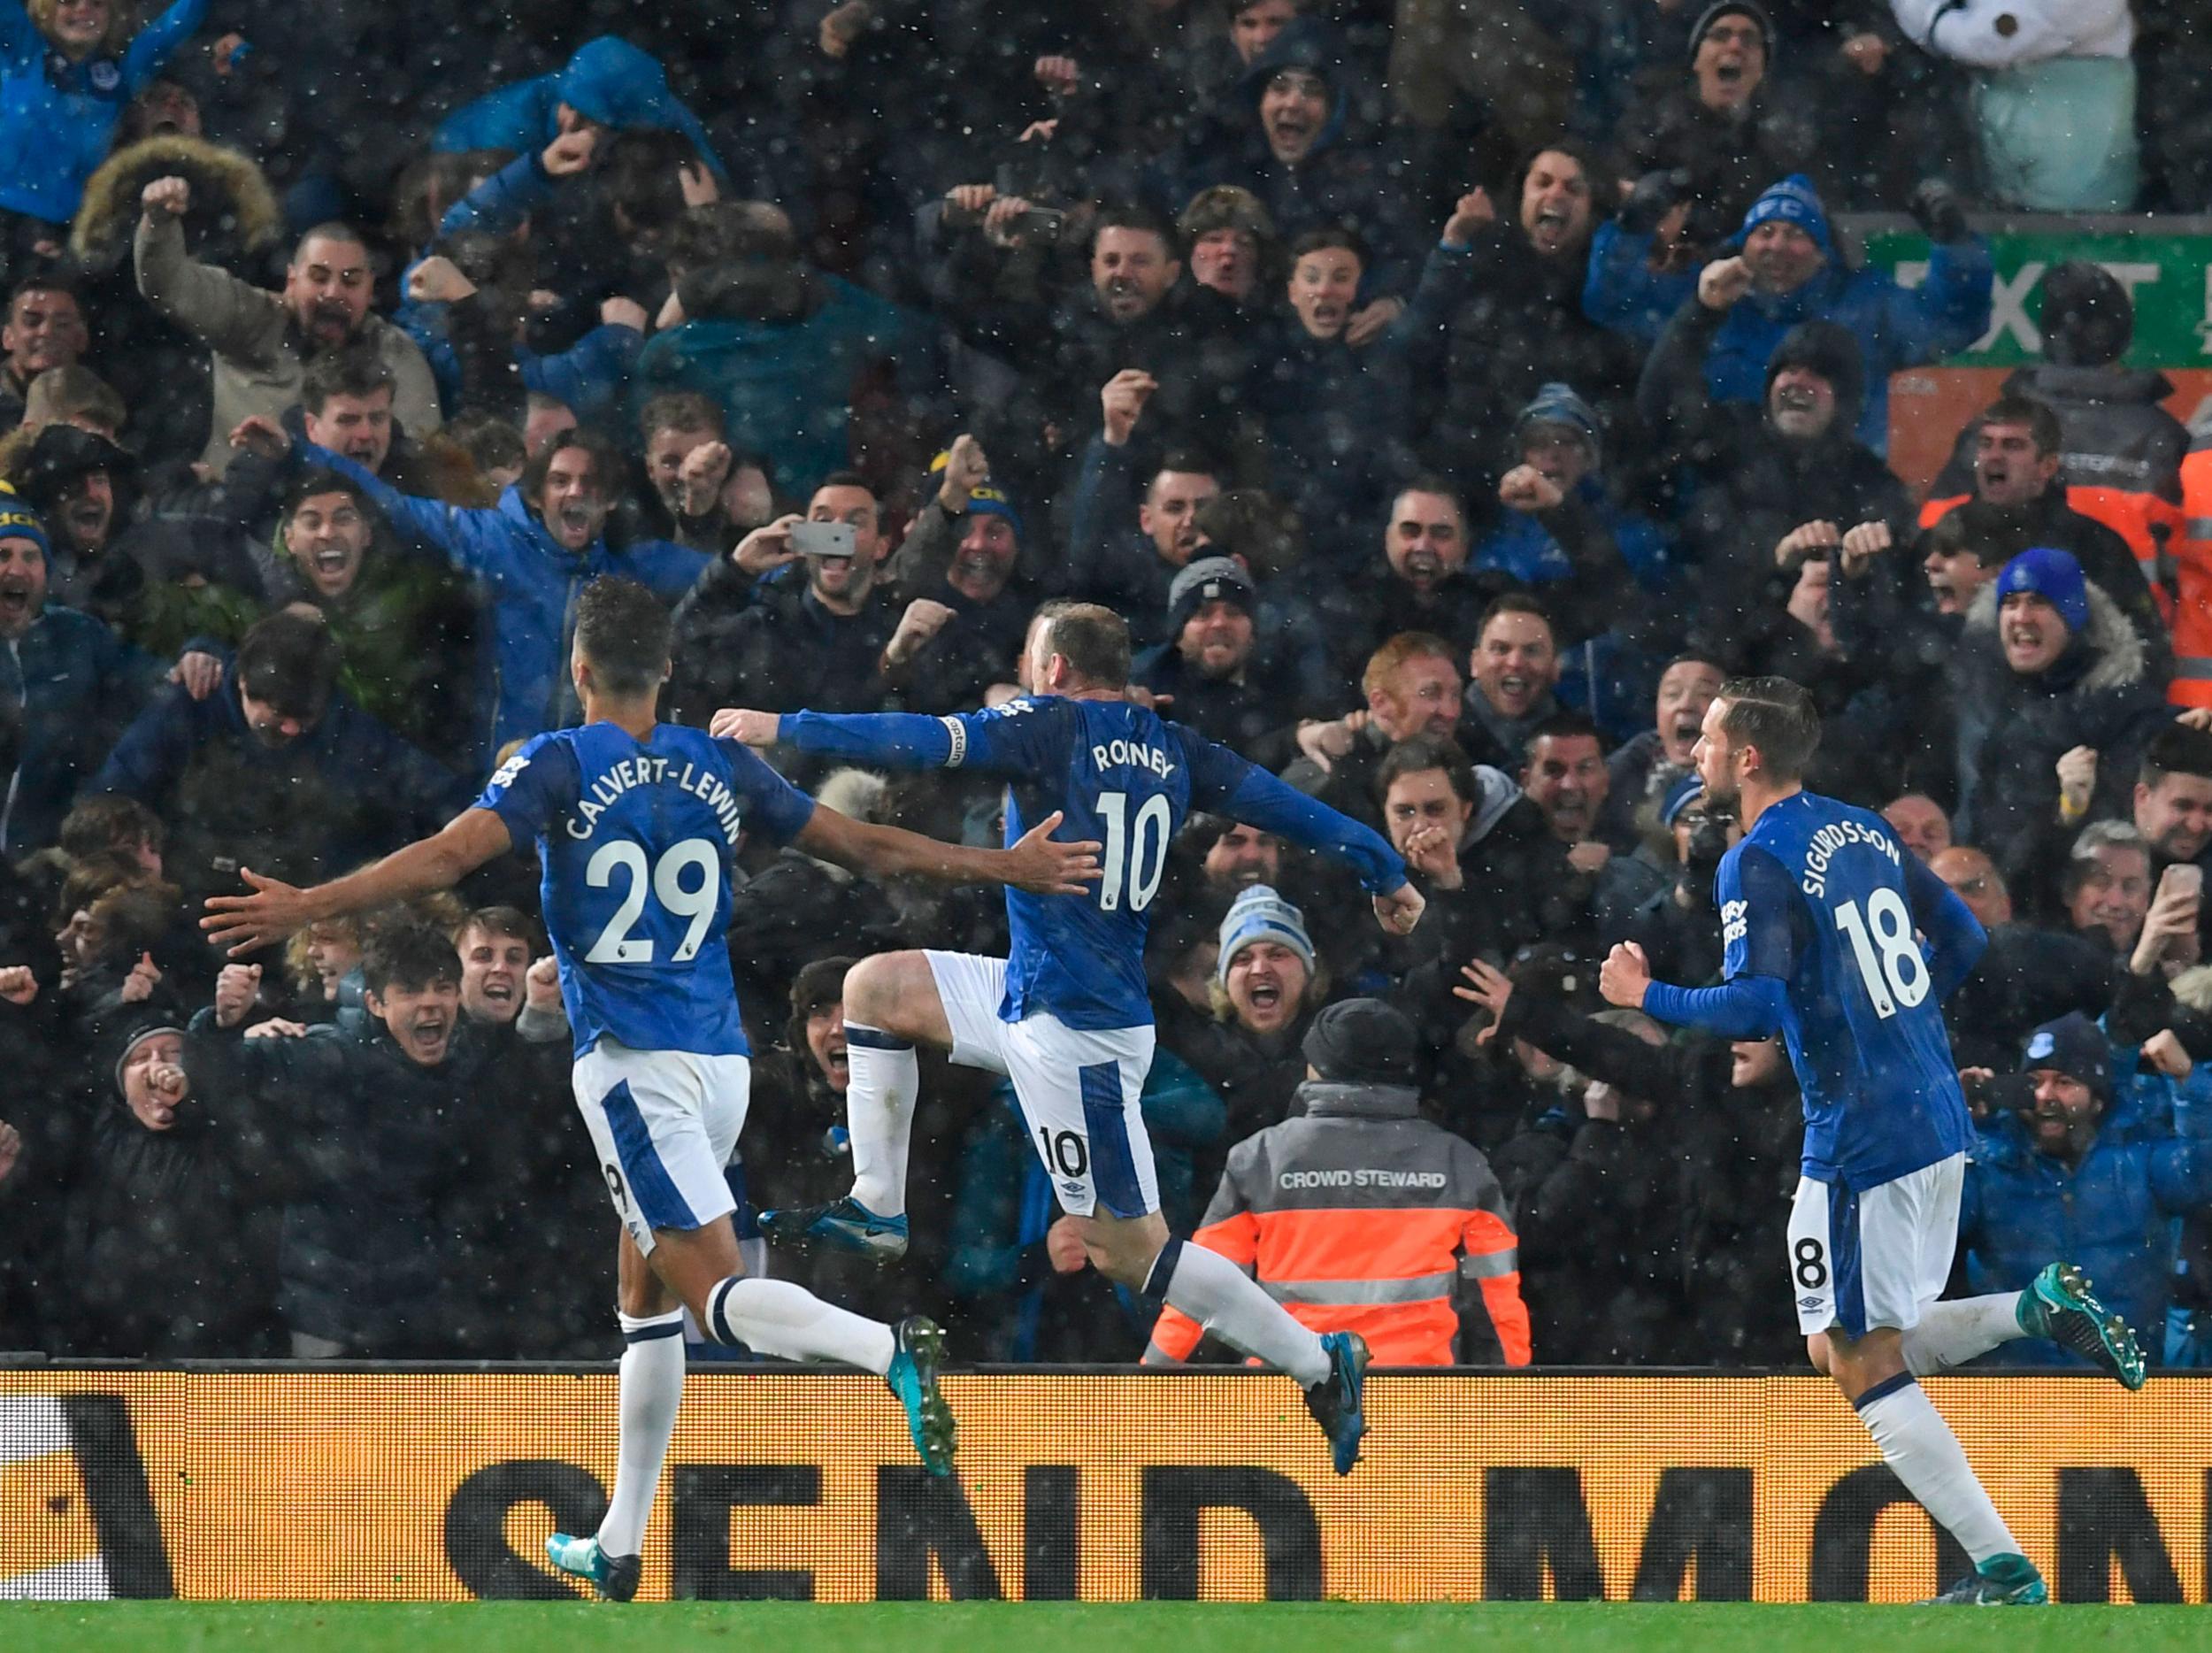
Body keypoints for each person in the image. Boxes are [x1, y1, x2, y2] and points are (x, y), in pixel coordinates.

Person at [198, 576, 1105, 1600]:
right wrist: (1003, 864)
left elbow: (450, 854)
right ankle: (620, 1543)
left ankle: (889, 1351)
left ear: (579, 669)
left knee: (712, 1293)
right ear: (666, 669)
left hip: (632, 1067)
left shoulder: (556, 762)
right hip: (722, 1064)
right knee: (641, 1300)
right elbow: (864, 844)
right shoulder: (719, 760)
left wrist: (308, 903)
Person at [714, 600, 1423, 1474]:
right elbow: (1289, 808)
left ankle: (1320, 1363)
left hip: (1076, 1036)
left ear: (1051, 669)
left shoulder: (1048, 727)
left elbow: (916, 739)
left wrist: (784, 725)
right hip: (1031, 990)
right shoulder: (1174, 747)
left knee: (1133, 1254)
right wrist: (1383, 867)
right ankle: (878, 1204)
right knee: (874, 987)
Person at [1598, 673, 2145, 1605]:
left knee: (1857, 1356)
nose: (1695, 750)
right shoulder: (1859, 824)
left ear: (1750, 755)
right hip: (1930, 1103)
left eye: (1708, 738)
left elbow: (1757, 1007)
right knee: (1841, 1342)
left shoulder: (1755, 857)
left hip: (1860, 1128)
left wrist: (1641, 995)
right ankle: (2033, 1309)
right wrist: (1895, 1018)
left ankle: (2004, 1569)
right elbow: (1965, 936)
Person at [1143, 998, 1531, 1368]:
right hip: (1415, 1390)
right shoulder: (1457, 1162)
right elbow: (1496, 1298)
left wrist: (1153, 1372)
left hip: (1288, 1391)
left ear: (1317, 1066)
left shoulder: (1261, 1157)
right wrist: (1515, 1392)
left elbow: (1205, 1287)